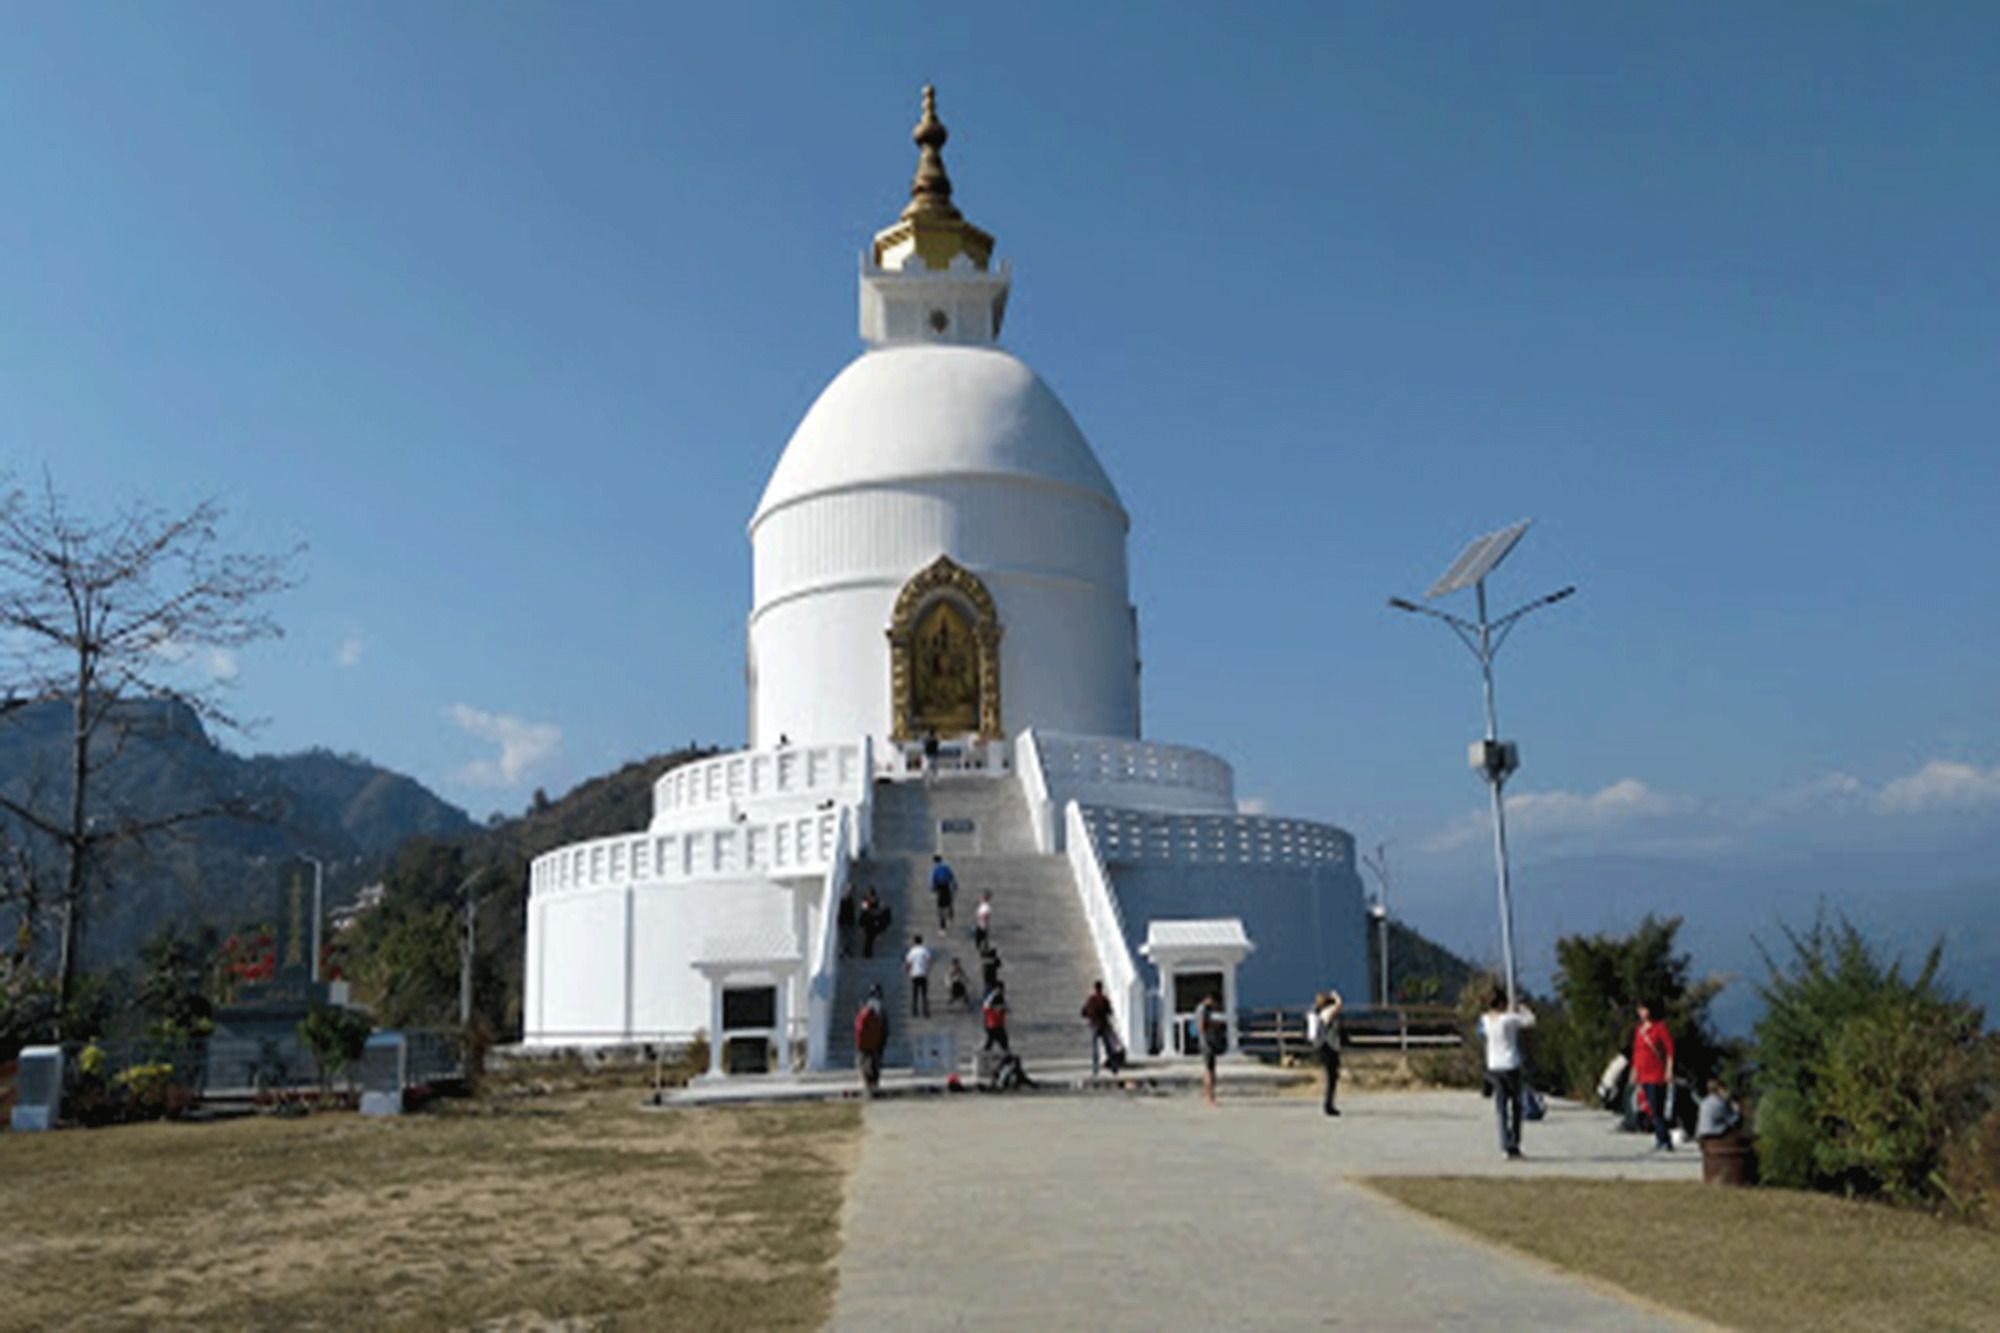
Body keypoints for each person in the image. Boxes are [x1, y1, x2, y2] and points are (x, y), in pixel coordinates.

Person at [1478, 987, 1536, 1159]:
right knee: (1516, 1107)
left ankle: (1504, 1145)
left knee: (1501, 1108)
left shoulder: (1485, 1020)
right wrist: (1521, 1008)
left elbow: (1480, 1032)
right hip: (1511, 1065)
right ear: (1503, 1003)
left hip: (1494, 1066)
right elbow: (1531, 1021)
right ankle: (1514, 1143)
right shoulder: (1508, 1019)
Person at [1633, 1002, 1678, 1150]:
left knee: (1657, 1107)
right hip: (1643, 1074)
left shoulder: (1659, 1028)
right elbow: (1636, 1052)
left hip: (1656, 1074)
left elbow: (1670, 1049)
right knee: (1651, 1109)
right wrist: (1634, 1072)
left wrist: (1669, 1070)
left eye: (1644, 1009)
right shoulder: (1639, 1030)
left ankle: (1665, 1139)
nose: (1642, 1013)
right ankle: (1661, 1138)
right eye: (1640, 1010)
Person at [1307, 989, 1344, 1117]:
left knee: (1332, 1077)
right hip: (1329, 1047)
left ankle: (1329, 1103)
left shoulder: (1319, 1013)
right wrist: (1337, 997)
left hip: (1325, 1047)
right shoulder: (1326, 1013)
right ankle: (1329, 1105)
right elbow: (1339, 1006)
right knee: (1332, 1077)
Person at [854, 984, 889, 1097]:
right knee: (875, 1063)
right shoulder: (880, 1006)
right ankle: (874, 1085)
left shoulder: (865, 1006)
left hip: (865, 1041)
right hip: (877, 1040)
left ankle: (868, 1084)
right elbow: (884, 1025)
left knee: (865, 1063)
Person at [1194, 992, 1226, 1107]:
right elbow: (1201, 1026)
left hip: (1207, 1042)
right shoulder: (1203, 1009)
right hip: (1207, 1043)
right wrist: (1213, 1025)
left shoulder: (1202, 1009)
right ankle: (1210, 1097)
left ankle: (1207, 1094)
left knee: (1209, 1070)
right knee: (1210, 1071)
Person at [1081, 980, 1116, 1076]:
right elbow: (1110, 1012)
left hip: (1095, 1026)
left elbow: (1084, 1012)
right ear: (1101, 988)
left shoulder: (1091, 1000)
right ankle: (1113, 1067)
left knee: (1095, 1048)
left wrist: (1090, 1017)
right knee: (1108, 1047)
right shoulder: (1104, 999)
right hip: (1103, 1025)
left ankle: (1095, 1068)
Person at [904, 934, 934, 1018]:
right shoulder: (925, 950)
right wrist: (927, 969)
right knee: (924, 993)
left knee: (915, 993)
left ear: (914, 941)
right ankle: (925, 1010)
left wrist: (907, 971)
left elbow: (908, 963)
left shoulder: (912, 951)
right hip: (923, 974)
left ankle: (915, 1010)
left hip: (914, 974)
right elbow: (930, 960)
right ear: (921, 941)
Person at [859, 888, 890, 959]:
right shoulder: (868, 901)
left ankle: (867, 952)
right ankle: (867, 952)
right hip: (871, 922)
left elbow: (864, 911)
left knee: (869, 938)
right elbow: (864, 910)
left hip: (871, 922)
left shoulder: (867, 901)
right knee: (869, 938)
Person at [981, 983, 1011, 1052]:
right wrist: (1001, 1009)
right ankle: (1006, 1053)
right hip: (993, 1024)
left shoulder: (995, 996)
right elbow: (989, 1008)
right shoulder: (996, 996)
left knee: (993, 1039)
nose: (1003, 990)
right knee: (1001, 1039)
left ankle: (1005, 1053)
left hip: (994, 1023)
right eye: (1001, 988)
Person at [930, 854, 957, 931]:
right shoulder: (946, 867)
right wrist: (955, 885)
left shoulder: (934, 869)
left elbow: (932, 880)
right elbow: (951, 876)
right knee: (949, 903)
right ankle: (950, 916)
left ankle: (942, 925)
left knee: (940, 907)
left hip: (939, 888)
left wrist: (932, 889)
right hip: (947, 887)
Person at [836, 884, 856, 959]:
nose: (851, 892)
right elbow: (842, 911)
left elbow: (851, 911)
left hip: (848, 921)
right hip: (844, 921)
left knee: (849, 937)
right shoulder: (843, 900)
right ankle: (843, 951)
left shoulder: (849, 900)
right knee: (844, 937)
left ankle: (847, 951)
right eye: (850, 890)